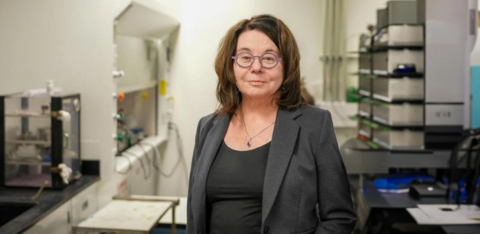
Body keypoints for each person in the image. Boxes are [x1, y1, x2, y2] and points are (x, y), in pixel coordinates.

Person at [187, 14, 356, 234]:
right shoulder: (208, 127)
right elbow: (194, 214)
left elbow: (340, 217)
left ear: (287, 66)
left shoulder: (314, 125)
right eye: (245, 57)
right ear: (231, 66)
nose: (256, 67)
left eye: (269, 58)